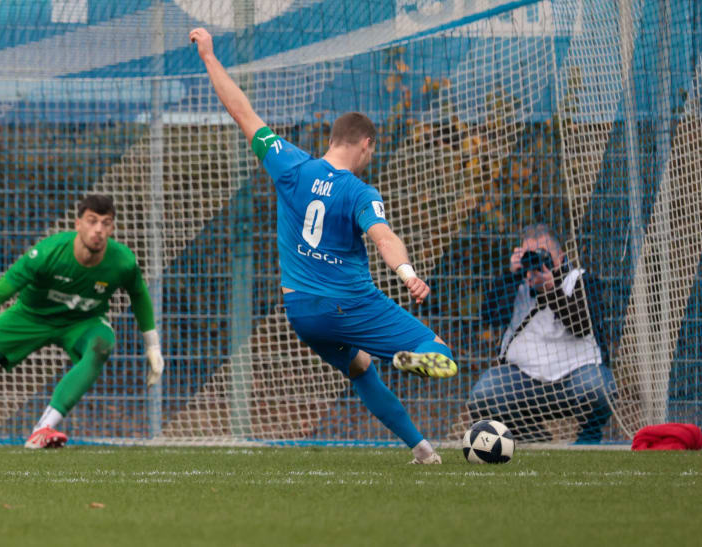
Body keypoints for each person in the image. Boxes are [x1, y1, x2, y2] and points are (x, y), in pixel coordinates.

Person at [189, 28, 458, 464]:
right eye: (372, 150)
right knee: (441, 351)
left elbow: (242, 112)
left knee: (360, 368)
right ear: (366, 144)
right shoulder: (359, 191)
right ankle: (414, 358)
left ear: (333, 139)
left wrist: (209, 57)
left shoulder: (290, 165)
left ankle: (423, 451)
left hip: (302, 312)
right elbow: (384, 236)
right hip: (348, 303)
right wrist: (408, 275)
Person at [0, 194, 163, 449]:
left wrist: (153, 346)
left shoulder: (123, 261)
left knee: (101, 346)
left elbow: (139, 295)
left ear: (112, 228)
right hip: (29, 317)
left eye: (106, 223)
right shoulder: (47, 253)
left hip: (83, 322)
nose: (98, 230)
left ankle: (43, 429)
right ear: (78, 224)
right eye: (92, 221)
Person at [467, 223, 616, 443]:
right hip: (523, 379)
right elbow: (490, 316)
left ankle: (589, 435)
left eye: (544, 254)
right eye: (530, 255)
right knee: (484, 395)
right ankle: (530, 434)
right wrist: (510, 276)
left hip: (574, 378)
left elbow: (582, 326)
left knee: (598, 387)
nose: (537, 261)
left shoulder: (580, 280)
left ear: (561, 256)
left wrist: (551, 290)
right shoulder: (516, 283)